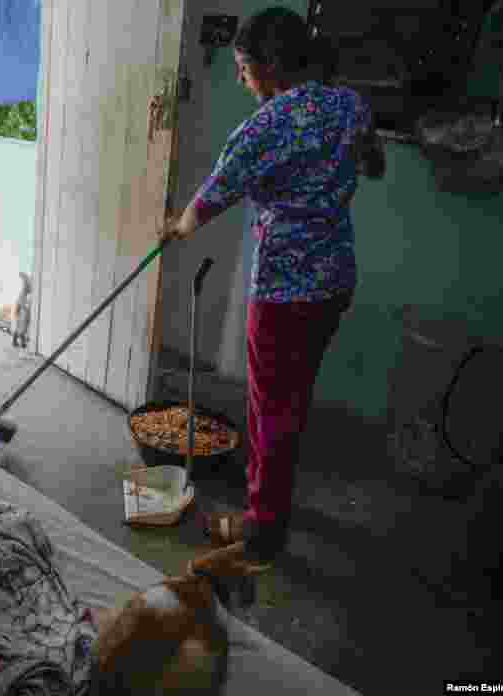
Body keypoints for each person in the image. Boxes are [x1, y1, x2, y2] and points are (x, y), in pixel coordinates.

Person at [159, 7, 386, 564]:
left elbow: (210, 198)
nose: (240, 78)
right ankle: (271, 499)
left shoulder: (269, 124)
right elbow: (374, 165)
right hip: (334, 280)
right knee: (289, 402)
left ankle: (262, 531)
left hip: (285, 291)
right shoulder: (348, 104)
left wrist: (175, 227)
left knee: (269, 409)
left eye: (242, 68)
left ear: (268, 66)